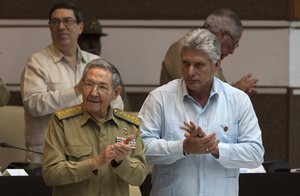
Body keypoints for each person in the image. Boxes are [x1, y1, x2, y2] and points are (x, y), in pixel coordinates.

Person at [139, 28, 264, 196]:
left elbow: (255, 154)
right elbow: (139, 148)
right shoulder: (159, 98)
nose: (190, 72)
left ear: (216, 65)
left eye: (198, 65)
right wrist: (182, 147)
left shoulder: (238, 100)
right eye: (185, 63)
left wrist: (216, 148)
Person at [20, 2, 123, 164]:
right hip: (48, 154)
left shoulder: (96, 62)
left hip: (92, 151)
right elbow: (33, 105)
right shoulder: (37, 62)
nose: (61, 26)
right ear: (50, 28)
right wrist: (75, 91)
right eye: (55, 22)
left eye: (67, 21)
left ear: (80, 27)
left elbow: (117, 104)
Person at [42, 59, 147, 196]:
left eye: (102, 87)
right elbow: (50, 174)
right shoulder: (62, 122)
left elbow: (139, 177)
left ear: (115, 93)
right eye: (89, 84)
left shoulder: (129, 126)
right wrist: (94, 163)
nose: (93, 92)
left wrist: (121, 161)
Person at [160, 8, 258, 94]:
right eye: (233, 44)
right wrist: (235, 90)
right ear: (223, 34)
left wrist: (236, 95)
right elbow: (196, 93)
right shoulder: (184, 48)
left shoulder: (211, 54)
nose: (232, 51)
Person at [78, 17, 132, 111]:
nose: (93, 45)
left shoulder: (110, 73)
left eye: (96, 40)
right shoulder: (75, 70)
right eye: (86, 39)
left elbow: (125, 112)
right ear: (77, 40)